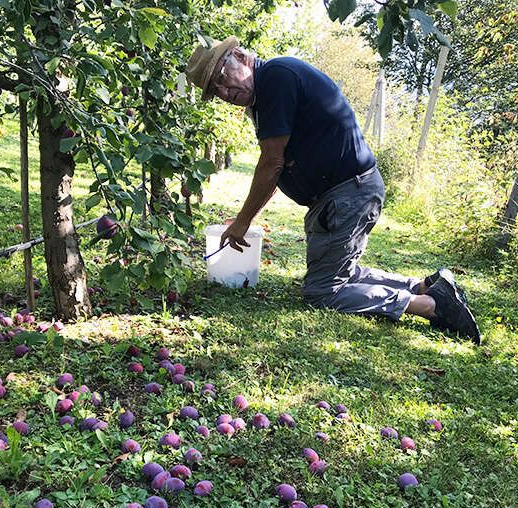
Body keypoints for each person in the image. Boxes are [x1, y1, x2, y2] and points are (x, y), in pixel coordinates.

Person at [185, 36, 481, 344]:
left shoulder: (275, 78)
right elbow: (279, 167)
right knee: (340, 276)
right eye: (214, 92)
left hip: (347, 195)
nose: (223, 92)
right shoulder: (268, 92)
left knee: (322, 291)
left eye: (221, 78)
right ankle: (424, 286)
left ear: (240, 57)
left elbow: (272, 162)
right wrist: (247, 216)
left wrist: (243, 221)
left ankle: (430, 305)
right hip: (340, 196)